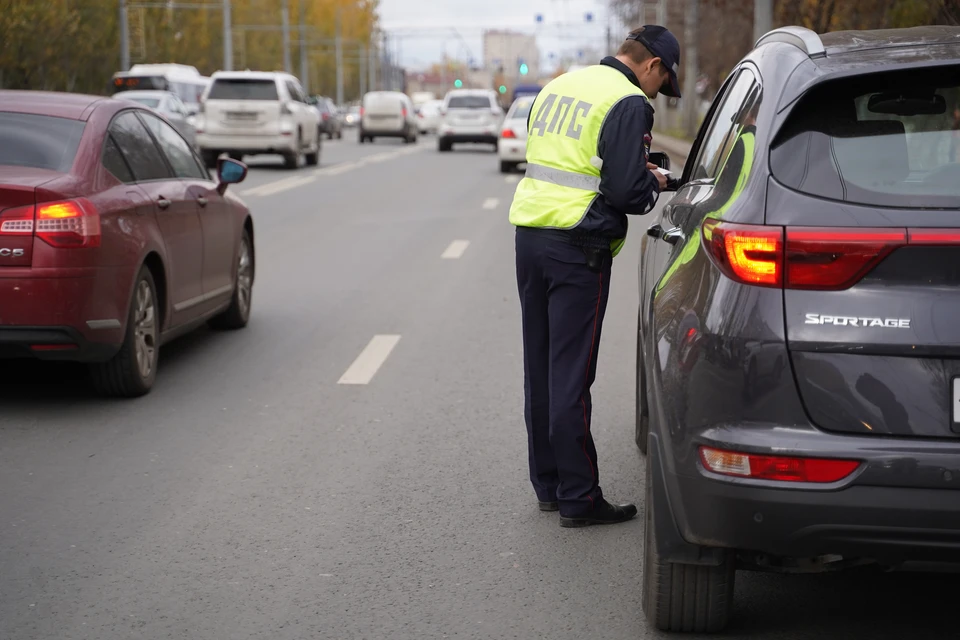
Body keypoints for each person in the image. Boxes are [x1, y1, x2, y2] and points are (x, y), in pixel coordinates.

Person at [508, 26, 682, 528]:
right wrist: (653, 184)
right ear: (651, 66)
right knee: (571, 374)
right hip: (579, 245)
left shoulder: (560, 85)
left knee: (539, 367)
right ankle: (580, 499)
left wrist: (631, 170)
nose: (657, 93)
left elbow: (573, 160)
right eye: (662, 82)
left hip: (531, 235)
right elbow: (626, 193)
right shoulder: (629, 101)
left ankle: (549, 486)